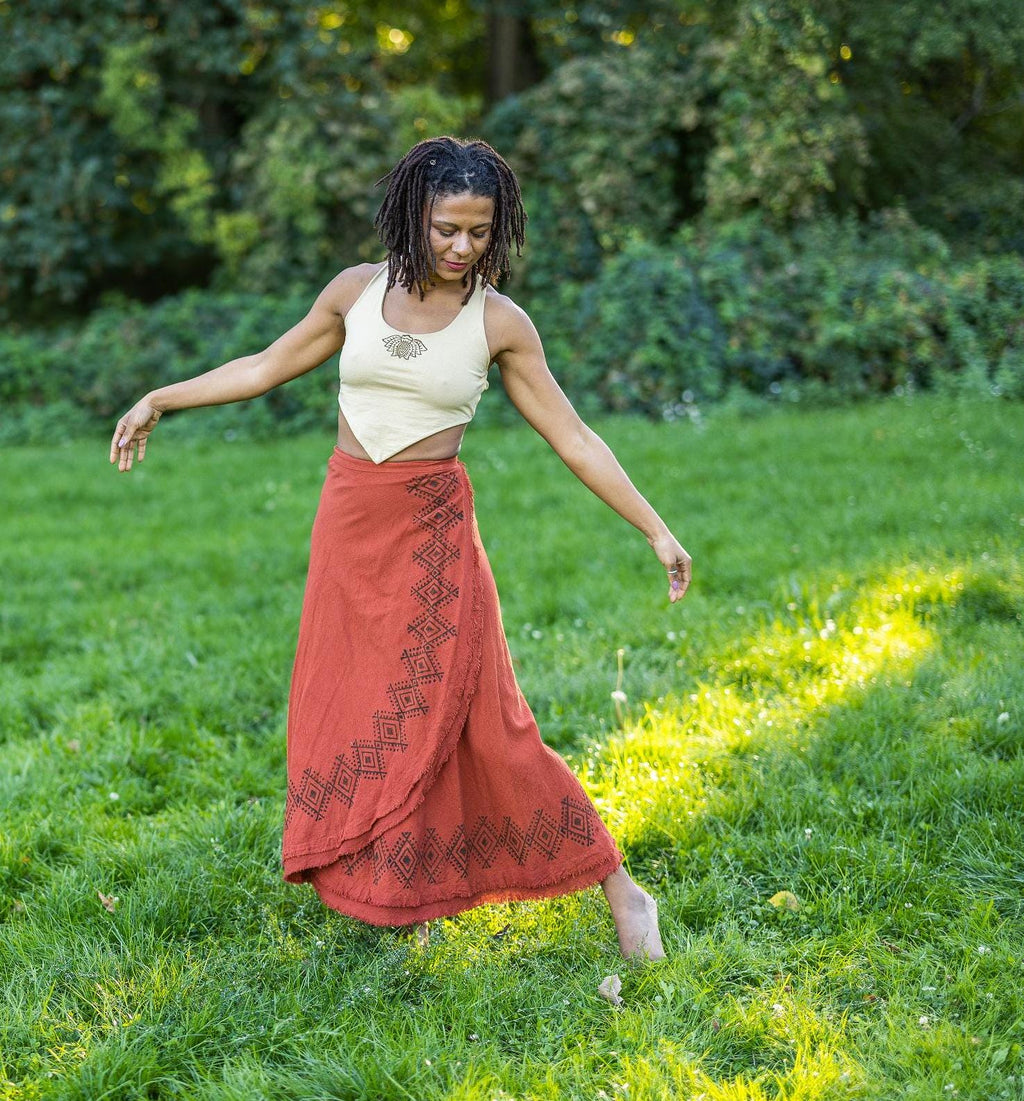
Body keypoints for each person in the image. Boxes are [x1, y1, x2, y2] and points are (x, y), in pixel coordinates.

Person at [110, 135, 691, 961]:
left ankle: (624, 892)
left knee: (488, 725)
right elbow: (267, 364)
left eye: (479, 233)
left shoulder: (499, 323)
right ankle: (398, 896)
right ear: (413, 217)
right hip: (349, 523)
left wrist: (655, 527)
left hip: (433, 537)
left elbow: (574, 436)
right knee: (353, 706)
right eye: (447, 229)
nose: (462, 248)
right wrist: (160, 398)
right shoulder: (354, 293)